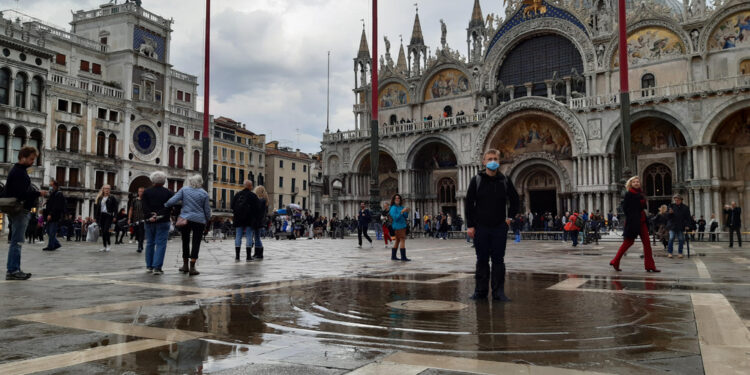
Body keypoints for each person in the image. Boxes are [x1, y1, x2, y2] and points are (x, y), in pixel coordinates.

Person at [465, 149, 520, 301]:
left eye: (495, 158)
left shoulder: (505, 180)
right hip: (481, 227)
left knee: (498, 260)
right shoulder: (476, 180)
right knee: (481, 260)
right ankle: (480, 292)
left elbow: (515, 200)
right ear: (484, 162)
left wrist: (509, 218)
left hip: (499, 227)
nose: (492, 161)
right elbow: (469, 204)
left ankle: (498, 292)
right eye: (489, 158)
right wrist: (470, 226)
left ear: (499, 161)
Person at [3, 146, 47, 280]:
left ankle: (14, 269)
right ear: (23, 157)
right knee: (17, 241)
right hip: (20, 210)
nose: (33, 162)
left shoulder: (19, 171)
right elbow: (21, 194)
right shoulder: (19, 172)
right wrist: (38, 193)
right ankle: (13, 270)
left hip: (19, 210)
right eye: (31, 159)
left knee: (16, 241)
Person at [609, 176, 660, 272]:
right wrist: (632, 218)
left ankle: (650, 266)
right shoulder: (629, 194)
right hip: (633, 222)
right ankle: (615, 261)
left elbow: (643, 206)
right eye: (634, 182)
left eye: (638, 182)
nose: (636, 183)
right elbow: (625, 209)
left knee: (647, 244)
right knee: (628, 242)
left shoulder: (641, 194)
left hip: (642, 220)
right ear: (630, 184)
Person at [165, 175, 211, 276]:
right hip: (199, 220)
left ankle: (185, 265)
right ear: (201, 182)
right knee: (196, 243)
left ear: (191, 182)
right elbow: (207, 210)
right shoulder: (204, 193)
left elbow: (172, 201)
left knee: (185, 241)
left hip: (185, 219)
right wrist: (207, 219)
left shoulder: (184, 189)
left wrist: (165, 205)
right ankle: (192, 267)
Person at [142, 171, 174, 274]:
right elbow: (169, 207)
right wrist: (159, 215)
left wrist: (151, 215)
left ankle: (149, 266)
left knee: (150, 243)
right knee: (161, 244)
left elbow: (144, 207)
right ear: (164, 181)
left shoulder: (146, 192)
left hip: (150, 221)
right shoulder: (169, 193)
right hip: (163, 220)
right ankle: (157, 267)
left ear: (152, 180)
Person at [232, 180, 260, 261]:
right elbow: (257, 209)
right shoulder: (253, 196)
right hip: (249, 219)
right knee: (249, 236)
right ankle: (248, 256)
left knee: (238, 236)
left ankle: (237, 256)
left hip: (238, 219)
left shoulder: (237, 195)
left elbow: (232, 206)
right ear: (250, 186)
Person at [42, 179, 65, 251]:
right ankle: (56, 244)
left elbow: (56, 205)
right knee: (48, 231)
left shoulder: (59, 194)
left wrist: (50, 214)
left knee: (52, 231)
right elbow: (51, 202)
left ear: (55, 186)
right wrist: (46, 202)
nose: (50, 186)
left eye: (51, 185)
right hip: (50, 215)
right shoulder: (53, 193)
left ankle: (51, 246)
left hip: (54, 216)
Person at [667, 194, 691, 259]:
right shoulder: (671, 206)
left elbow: (688, 218)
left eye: (678, 200)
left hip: (681, 226)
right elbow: (668, 217)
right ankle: (670, 252)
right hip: (673, 226)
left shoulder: (685, 207)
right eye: (675, 200)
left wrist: (687, 225)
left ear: (681, 200)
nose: (676, 201)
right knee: (671, 238)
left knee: (681, 239)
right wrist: (670, 213)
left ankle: (680, 253)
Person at [389, 194, 410, 261]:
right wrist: (401, 212)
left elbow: (405, 216)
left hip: (403, 225)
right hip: (398, 226)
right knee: (402, 240)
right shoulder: (393, 208)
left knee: (397, 241)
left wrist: (406, 211)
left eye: (398, 198)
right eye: (396, 198)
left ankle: (393, 256)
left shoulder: (401, 207)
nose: (397, 199)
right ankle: (403, 257)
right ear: (394, 200)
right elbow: (395, 218)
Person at [252, 185, 269, 259]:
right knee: (257, 237)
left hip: (257, 221)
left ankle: (259, 253)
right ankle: (257, 253)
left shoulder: (260, 200)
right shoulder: (265, 200)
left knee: (257, 237)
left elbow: (256, 211)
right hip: (261, 221)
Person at [128, 187, 146, 253]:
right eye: (140, 191)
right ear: (138, 192)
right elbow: (131, 209)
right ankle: (140, 244)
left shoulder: (146, 200)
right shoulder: (134, 200)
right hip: (135, 219)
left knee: (141, 233)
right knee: (137, 233)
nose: (141, 193)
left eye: (142, 191)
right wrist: (129, 218)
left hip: (143, 219)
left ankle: (139, 246)